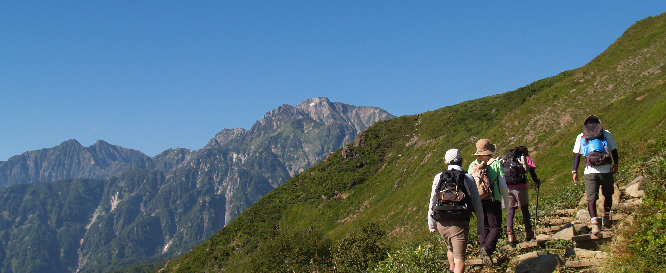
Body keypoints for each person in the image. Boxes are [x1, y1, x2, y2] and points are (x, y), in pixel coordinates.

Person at [428, 149, 484, 273]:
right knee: (460, 259)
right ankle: (455, 269)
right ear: (462, 161)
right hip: (459, 221)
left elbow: (433, 201)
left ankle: (451, 269)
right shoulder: (467, 178)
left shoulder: (439, 177)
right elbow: (477, 203)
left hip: (441, 221)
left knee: (450, 248)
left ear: (446, 162)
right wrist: (480, 227)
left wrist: (431, 225)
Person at [572, 115, 618, 234]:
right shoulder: (606, 133)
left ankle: (595, 224)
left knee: (591, 198)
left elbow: (577, 155)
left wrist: (575, 171)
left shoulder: (581, 136)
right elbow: (614, 150)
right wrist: (616, 164)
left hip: (589, 171)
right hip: (606, 170)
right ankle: (606, 218)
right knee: (607, 194)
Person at [468, 139, 509, 266]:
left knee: (484, 227)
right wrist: (506, 203)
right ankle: (487, 249)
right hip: (493, 199)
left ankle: (482, 249)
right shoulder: (495, 163)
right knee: (496, 227)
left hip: (478, 201)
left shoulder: (472, 165)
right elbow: (503, 185)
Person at [504, 146, 541, 246]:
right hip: (520, 187)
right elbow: (532, 171)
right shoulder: (524, 158)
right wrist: (536, 182)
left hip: (507, 188)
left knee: (510, 211)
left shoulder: (506, 160)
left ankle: (510, 235)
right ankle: (528, 233)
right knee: (524, 209)